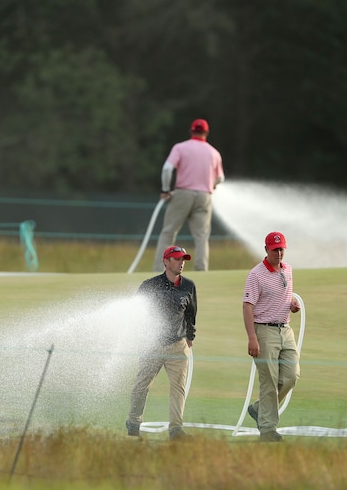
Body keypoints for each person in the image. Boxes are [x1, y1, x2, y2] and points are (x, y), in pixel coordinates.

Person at [126, 245, 198, 441]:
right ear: (166, 261)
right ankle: (133, 422)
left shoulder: (189, 286)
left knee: (178, 388)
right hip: (152, 344)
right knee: (142, 386)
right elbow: (136, 315)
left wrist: (190, 337)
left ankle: (176, 430)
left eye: (183, 259)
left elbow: (191, 315)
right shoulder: (149, 285)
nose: (181, 263)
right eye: (177, 259)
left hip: (178, 345)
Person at [242, 232, 301, 442]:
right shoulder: (256, 275)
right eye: (275, 249)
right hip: (264, 331)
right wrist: (252, 338)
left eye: (282, 249)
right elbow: (248, 306)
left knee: (291, 376)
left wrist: (292, 304)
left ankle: (259, 409)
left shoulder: (288, 270)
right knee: (269, 381)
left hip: (286, 330)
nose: (279, 253)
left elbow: (284, 296)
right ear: (266, 249)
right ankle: (267, 430)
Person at [152, 118, 225, 272]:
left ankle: (160, 270)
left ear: (191, 131)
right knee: (201, 237)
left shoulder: (180, 148)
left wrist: (165, 190)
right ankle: (201, 272)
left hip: (182, 193)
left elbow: (167, 169)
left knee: (168, 233)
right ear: (206, 132)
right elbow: (220, 179)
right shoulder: (214, 153)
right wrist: (211, 184)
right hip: (204, 196)